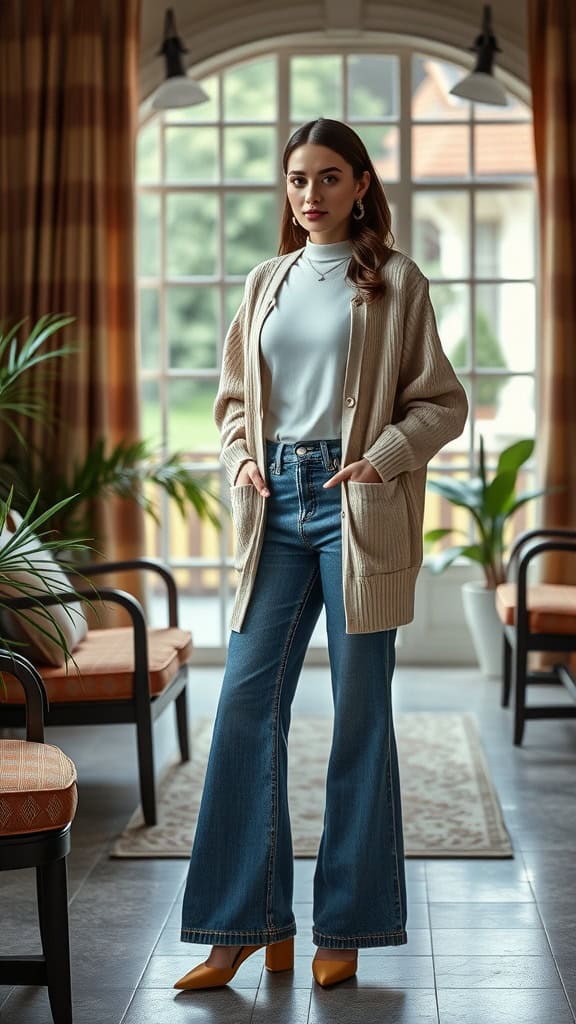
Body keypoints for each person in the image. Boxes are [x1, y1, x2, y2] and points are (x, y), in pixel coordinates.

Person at [175, 117, 468, 992]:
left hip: (356, 508)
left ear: (363, 184)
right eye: (298, 179)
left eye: (329, 178)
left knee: (360, 714)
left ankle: (348, 921)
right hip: (274, 511)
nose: (310, 195)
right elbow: (233, 400)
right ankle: (239, 925)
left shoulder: (396, 283)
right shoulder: (266, 282)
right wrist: (239, 458)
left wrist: (379, 458)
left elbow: (443, 405)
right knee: (241, 707)